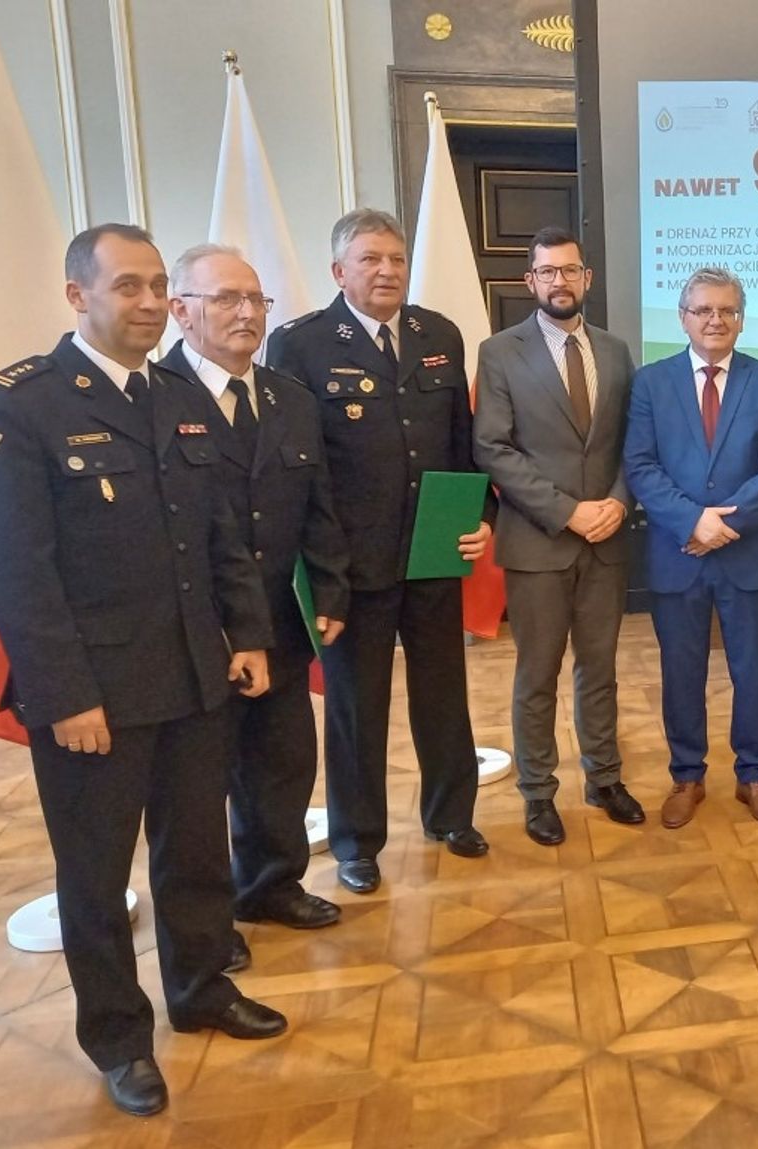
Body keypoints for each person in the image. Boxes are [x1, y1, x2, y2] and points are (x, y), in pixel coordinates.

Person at [0, 224, 287, 1117]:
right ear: (77, 295)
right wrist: (64, 695)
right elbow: (20, 571)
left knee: (195, 851)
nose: (152, 302)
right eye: (129, 286)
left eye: (160, 285)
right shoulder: (27, 405)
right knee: (95, 877)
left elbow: (219, 536)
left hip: (196, 674)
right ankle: (120, 1038)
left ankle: (200, 988)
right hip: (95, 697)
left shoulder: (175, 396)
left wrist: (247, 635)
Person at [266, 208, 495, 895]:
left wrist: (480, 516)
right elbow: (302, 469)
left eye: (395, 258)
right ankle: (357, 841)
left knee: (444, 695)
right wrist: (322, 569)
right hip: (351, 564)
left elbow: (462, 443)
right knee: (356, 708)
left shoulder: (438, 334)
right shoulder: (301, 345)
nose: (387, 270)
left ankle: (452, 815)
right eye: (370, 259)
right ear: (339, 271)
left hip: (433, 548)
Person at [162, 244, 350, 966]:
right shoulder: (156, 398)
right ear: (181, 311)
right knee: (198, 788)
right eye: (225, 299)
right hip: (195, 630)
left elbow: (318, 508)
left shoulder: (289, 398)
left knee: (283, 762)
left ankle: (271, 885)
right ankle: (208, 925)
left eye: (255, 299)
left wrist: (329, 588)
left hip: (279, 620)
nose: (246, 313)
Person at [474, 226, 643, 845]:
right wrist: (568, 512)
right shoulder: (500, 352)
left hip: (607, 541)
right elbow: (493, 448)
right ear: (531, 281)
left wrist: (619, 502)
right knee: (537, 673)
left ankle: (604, 777)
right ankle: (539, 792)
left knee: (600, 669)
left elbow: (633, 442)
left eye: (570, 270)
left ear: (586, 278)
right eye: (547, 272)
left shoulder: (617, 352)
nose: (560, 282)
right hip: (538, 541)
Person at [624, 266, 758, 829]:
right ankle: (686, 775)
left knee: (754, 671)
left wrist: (725, 524)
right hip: (678, 554)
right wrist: (692, 522)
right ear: (683, 319)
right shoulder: (651, 383)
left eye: (727, 311)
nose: (715, 320)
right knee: (681, 672)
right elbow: (640, 465)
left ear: (741, 320)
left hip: (749, 554)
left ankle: (754, 774)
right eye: (703, 310)